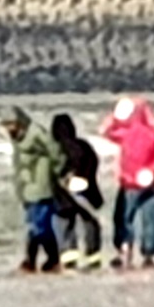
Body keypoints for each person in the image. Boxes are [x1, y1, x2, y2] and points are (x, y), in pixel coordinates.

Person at [102, 96, 154, 269]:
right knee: (151, 220)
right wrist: (153, 172)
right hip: (152, 183)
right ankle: (148, 255)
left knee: (124, 218)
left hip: (129, 183)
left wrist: (115, 118)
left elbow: (107, 132)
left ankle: (124, 250)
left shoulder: (126, 132)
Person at [1, 107, 66, 273]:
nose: (9, 129)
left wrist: (59, 171)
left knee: (37, 226)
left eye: (11, 124)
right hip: (27, 188)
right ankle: (47, 260)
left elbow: (55, 151)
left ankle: (37, 260)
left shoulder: (36, 133)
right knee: (38, 225)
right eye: (6, 125)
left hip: (41, 186)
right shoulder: (17, 138)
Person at [51, 112, 104, 269]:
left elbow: (52, 171)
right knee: (90, 223)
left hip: (62, 196)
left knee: (64, 224)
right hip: (86, 192)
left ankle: (69, 257)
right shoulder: (83, 146)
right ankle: (93, 256)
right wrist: (84, 179)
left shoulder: (55, 149)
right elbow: (93, 162)